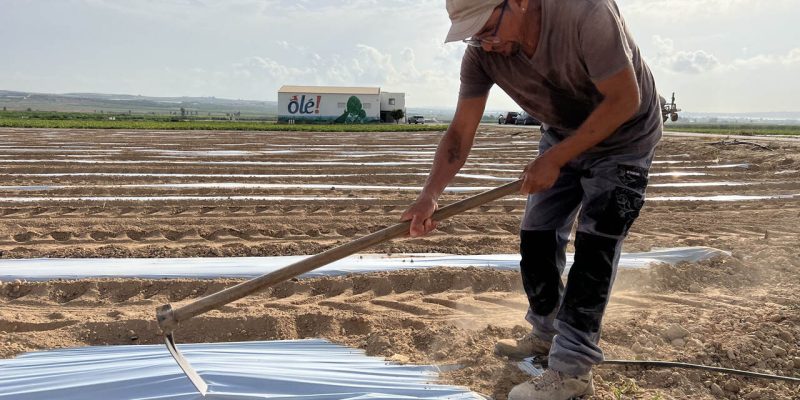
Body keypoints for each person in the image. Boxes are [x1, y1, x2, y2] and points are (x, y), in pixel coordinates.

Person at [400, 0, 662, 399]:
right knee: (536, 238)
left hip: (625, 141)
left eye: (488, 29)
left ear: (519, 3)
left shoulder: (585, 13)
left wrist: (555, 160)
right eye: (474, 35)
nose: (484, 43)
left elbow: (625, 100)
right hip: (561, 133)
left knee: (595, 248)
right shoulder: (482, 55)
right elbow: (459, 135)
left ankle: (572, 371)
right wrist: (429, 196)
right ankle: (546, 333)